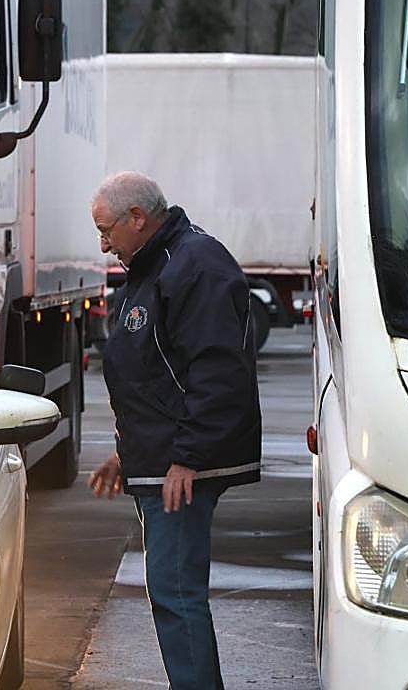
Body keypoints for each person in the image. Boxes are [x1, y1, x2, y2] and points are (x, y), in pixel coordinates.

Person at [87, 172, 261, 690]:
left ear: (137, 218)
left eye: (106, 229)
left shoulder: (192, 264)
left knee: (176, 592)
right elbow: (153, 375)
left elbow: (216, 371)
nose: (102, 243)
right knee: (172, 591)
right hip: (163, 461)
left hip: (180, 468)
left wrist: (186, 456)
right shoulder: (155, 265)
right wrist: (126, 453)